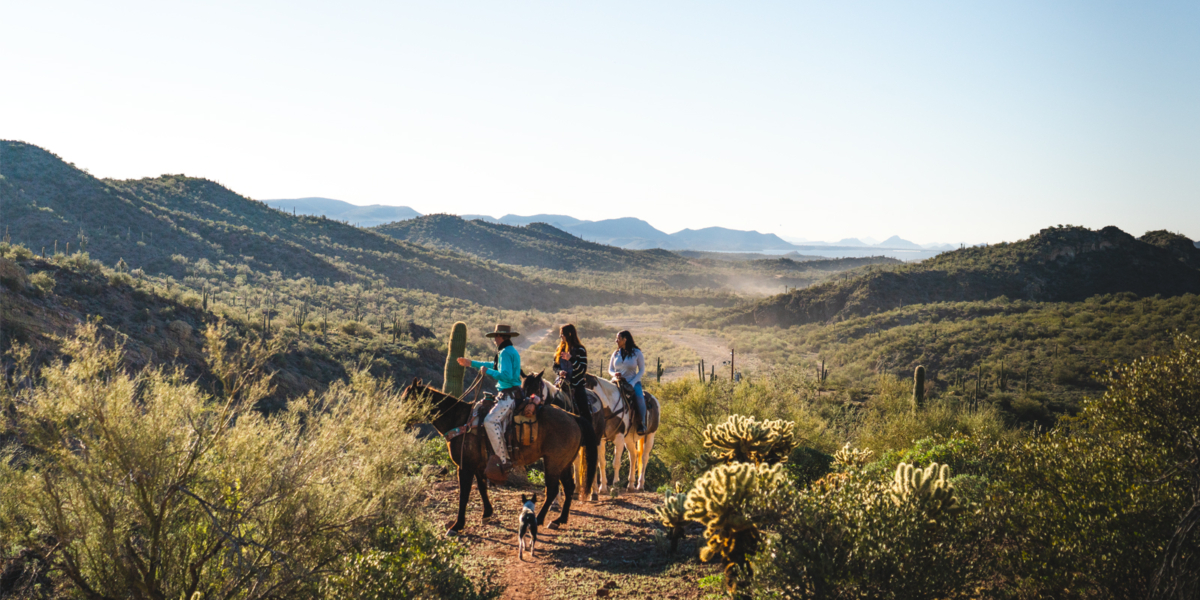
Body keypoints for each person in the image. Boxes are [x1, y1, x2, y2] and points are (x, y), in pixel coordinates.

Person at [457, 324, 522, 474]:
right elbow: (494, 365)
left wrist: (488, 372)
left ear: (499, 336)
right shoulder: (508, 350)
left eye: (495, 337)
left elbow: (506, 376)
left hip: (509, 396)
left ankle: (504, 460)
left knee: (490, 421)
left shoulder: (505, 352)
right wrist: (471, 363)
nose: (494, 340)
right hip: (509, 393)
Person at [608, 330, 647, 435]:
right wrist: (614, 374)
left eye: (618, 339)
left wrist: (633, 383)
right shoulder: (615, 353)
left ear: (625, 339)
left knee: (639, 397)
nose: (616, 341)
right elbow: (610, 369)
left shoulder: (637, 353)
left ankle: (642, 423)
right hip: (617, 381)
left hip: (632, 381)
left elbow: (642, 370)